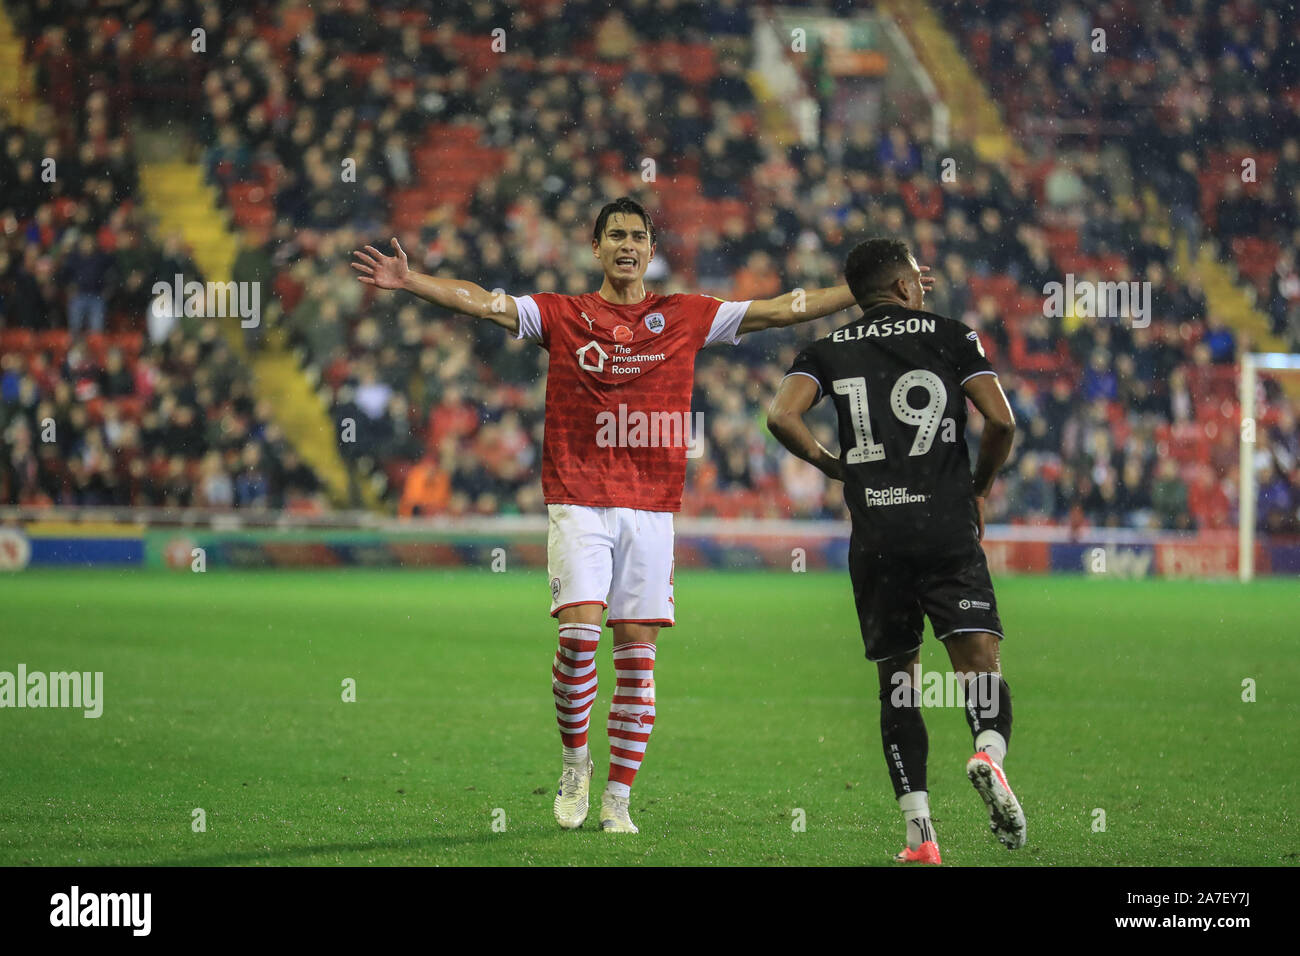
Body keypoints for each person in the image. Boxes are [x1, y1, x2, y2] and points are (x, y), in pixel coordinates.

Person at [352, 197, 900, 833]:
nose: (627, 246)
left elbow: (782, 308)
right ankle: (575, 760)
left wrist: (864, 292)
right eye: (615, 235)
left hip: (652, 508)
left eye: (637, 236)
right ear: (596, 247)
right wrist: (411, 280)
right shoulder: (563, 313)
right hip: (578, 495)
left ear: (650, 247)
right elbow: (485, 301)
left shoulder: (686, 314)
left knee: (638, 655)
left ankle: (619, 798)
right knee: (578, 638)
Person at [766, 237, 1023, 864]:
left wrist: (834, 465)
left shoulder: (823, 350)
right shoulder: (953, 336)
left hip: (877, 536)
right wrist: (979, 489)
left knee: (898, 683)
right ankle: (987, 753)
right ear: (906, 285)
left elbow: (780, 416)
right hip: (945, 529)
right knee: (978, 664)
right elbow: (1002, 421)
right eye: (917, 279)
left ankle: (920, 837)